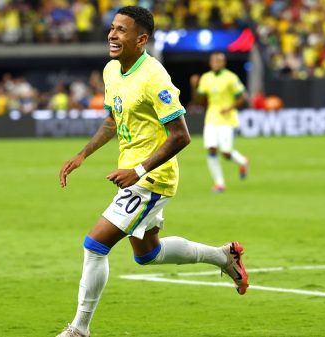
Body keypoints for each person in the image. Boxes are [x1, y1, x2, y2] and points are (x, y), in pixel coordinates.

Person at [56, 6, 248, 337]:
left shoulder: (154, 77)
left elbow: (181, 136)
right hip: (133, 175)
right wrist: (82, 154)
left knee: (95, 245)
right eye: (112, 28)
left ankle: (79, 330)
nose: (112, 35)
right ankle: (223, 257)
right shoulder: (111, 71)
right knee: (149, 255)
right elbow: (112, 120)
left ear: (141, 39)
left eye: (121, 30)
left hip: (151, 178)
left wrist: (139, 170)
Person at [190, 52, 249, 193]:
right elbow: (199, 101)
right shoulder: (206, 78)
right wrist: (194, 87)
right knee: (211, 149)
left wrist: (230, 107)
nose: (216, 62)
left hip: (227, 120)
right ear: (210, 63)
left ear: (224, 63)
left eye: (219, 60)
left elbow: (243, 97)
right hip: (211, 118)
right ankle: (219, 183)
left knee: (226, 152)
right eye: (214, 60)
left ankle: (242, 161)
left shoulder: (230, 77)